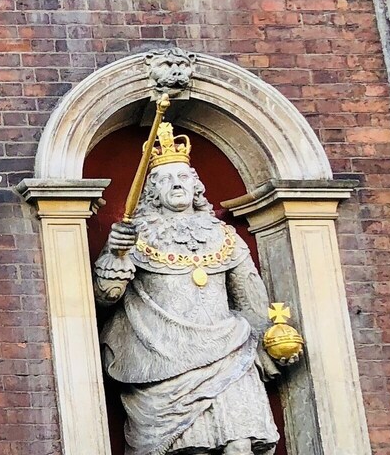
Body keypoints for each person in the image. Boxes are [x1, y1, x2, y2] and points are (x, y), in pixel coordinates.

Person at [93, 121, 289, 455]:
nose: (176, 184)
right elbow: (106, 296)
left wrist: (275, 339)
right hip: (161, 360)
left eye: (183, 177)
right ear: (152, 190)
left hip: (229, 351)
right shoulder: (133, 236)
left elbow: (250, 298)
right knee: (190, 450)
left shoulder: (225, 236)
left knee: (239, 446)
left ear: (196, 185)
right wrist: (116, 252)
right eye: (165, 179)